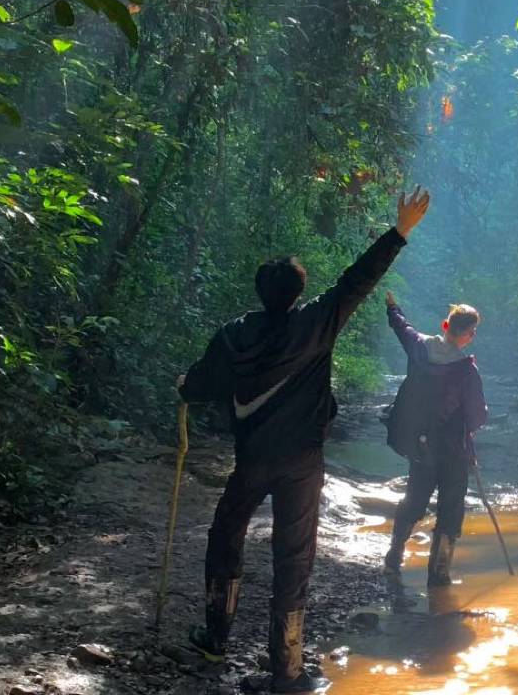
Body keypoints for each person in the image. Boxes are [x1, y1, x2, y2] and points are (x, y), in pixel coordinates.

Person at [177, 188, 430, 693]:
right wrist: (400, 230)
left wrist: (184, 386)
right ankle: (287, 670)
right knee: (294, 557)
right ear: (297, 291)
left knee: (225, 534)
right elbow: (357, 281)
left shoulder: (232, 335)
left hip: (250, 460)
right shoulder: (314, 323)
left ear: (259, 290)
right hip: (302, 465)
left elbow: (199, 386)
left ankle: (214, 635)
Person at [382, 294, 487, 586]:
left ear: (444, 324)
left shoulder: (419, 347)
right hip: (454, 450)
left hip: (421, 445)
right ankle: (439, 573)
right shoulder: (467, 370)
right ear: (470, 335)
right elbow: (478, 416)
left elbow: (402, 327)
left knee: (414, 499)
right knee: (451, 507)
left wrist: (393, 307)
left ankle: (393, 557)